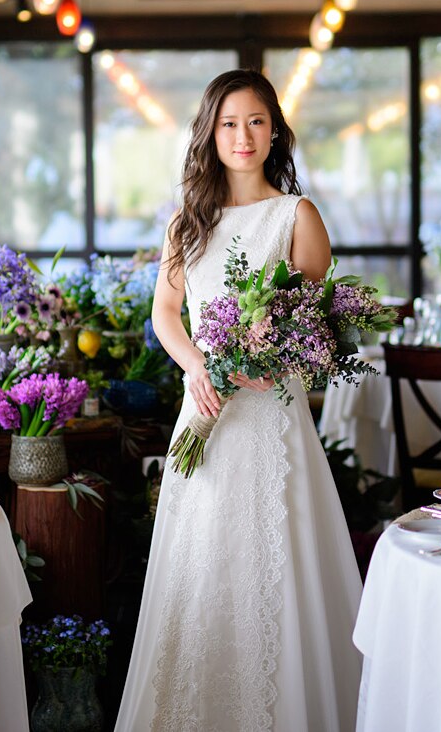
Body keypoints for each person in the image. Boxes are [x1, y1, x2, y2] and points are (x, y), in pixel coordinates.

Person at [114, 69, 362, 732]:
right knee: (199, 574)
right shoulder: (187, 223)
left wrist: (273, 354)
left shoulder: (297, 216)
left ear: (274, 130)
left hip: (271, 423)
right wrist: (200, 363)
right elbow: (168, 312)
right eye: (228, 123)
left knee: (274, 573)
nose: (243, 136)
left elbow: (318, 323)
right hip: (205, 414)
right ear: (210, 134)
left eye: (255, 121)